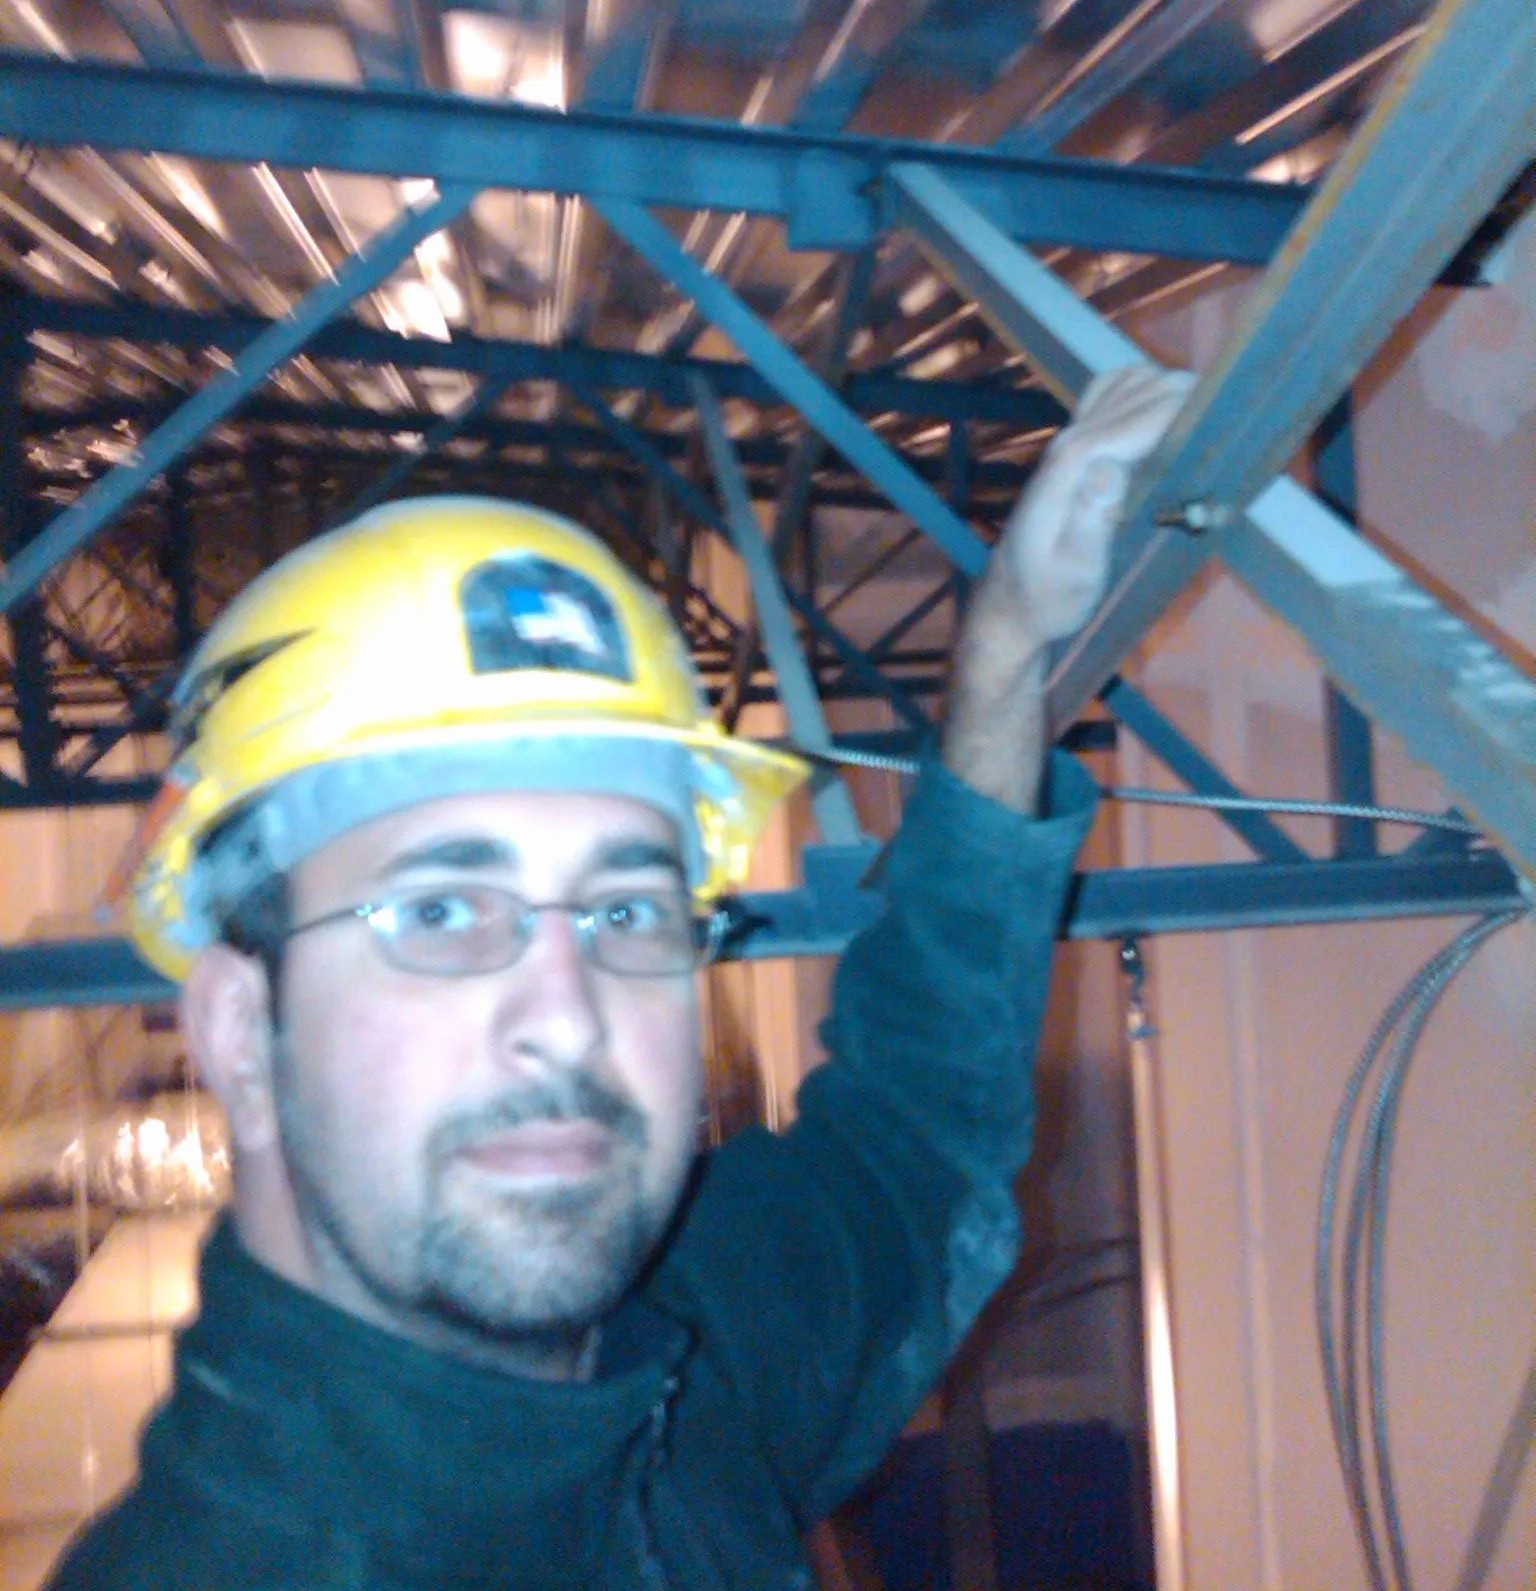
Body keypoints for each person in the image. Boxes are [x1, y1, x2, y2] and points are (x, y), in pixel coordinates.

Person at [47, 365, 1186, 1591]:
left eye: (626, 908)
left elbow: (913, 1140)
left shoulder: (684, 1367)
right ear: (238, 1026)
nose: (567, 1016)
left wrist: (1006, 657)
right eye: (440, 909)